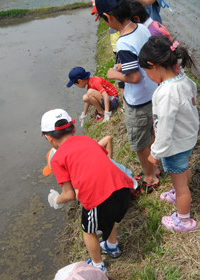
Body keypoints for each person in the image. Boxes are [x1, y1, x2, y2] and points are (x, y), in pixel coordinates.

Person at [41, 109, 135, 273]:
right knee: (109, 217)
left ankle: (98, 265)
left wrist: (56, 200)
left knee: (88, 231)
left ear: (48, 138)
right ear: (74, 129)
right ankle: (112, 246)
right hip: (123, 188)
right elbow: (104, 161)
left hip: (98, 199)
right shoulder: (87, 140)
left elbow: (69, 194)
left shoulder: (57, 158)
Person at [95, 0, 160, 196]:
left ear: (109, 17)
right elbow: (143, 58)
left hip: (138, 101)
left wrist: (114, 74)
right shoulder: (141, 28)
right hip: (153, 94)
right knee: (151, 133)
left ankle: (150, 177)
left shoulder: (123, 42)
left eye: (104, 20)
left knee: (140, 143)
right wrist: (127, 66)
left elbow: (134, 77)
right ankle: (155, 167)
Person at [139, 36, 199, 231]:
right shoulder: (184, 79)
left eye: (146, 71)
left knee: (181, 184)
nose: (147, 75)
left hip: (175, 144)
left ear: (153, 66)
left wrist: (155, 153)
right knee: (182, 170)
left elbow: (164, 128)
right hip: (187, 138)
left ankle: (183, 221)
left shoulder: (165, 93)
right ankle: (178, 193)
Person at [43, 135, 136, 184]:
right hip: (127, 175)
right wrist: (107, 162)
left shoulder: (80, 173)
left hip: (124, 186)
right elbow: (108, 139)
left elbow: (74, 194)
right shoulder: (87, 150)